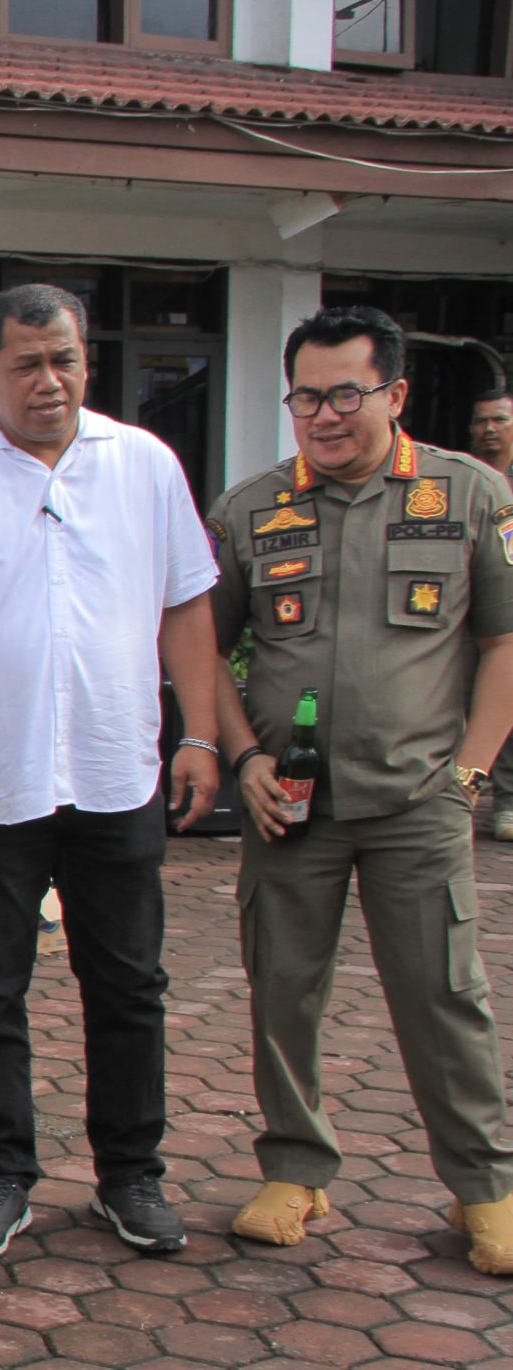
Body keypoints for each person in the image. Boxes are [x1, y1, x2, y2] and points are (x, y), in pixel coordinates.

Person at [0, 283, 221, 1263]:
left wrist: (198, 734)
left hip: (115, 769)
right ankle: (0, 1173)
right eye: (25, 363)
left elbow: (185, 606)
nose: (48, 380)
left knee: (128, 983)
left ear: (85, 362)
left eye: (62, 358)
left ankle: (130, 1173)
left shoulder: (142, 465)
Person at [209, 305, 513, 1275]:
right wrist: (243, 758)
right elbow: (197, 648)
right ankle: (294, 1166)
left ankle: (484, 1186)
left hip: (419, 795)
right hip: (287, 802)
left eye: (346, 393)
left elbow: (504, 638)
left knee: (442, 993)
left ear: (394, 394)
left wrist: (470, 766)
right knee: (281, 992)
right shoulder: (251, 507)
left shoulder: (470, 497)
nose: (324, 414)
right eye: (306, 396)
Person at [467, 388, 513, 837]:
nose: (489, 429)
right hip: (472, 610)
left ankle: (508, 800)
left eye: (499, 420)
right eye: (482, 421)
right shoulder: (466, 481)